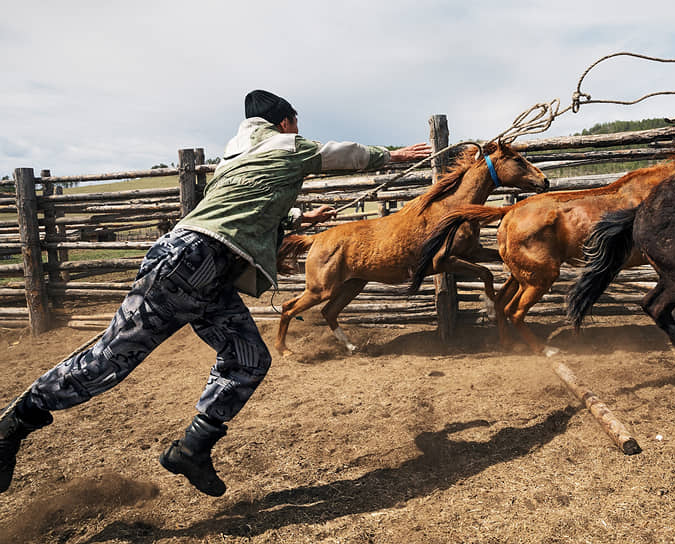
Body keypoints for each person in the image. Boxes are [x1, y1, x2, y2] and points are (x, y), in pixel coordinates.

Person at [0, 90, 432, 497]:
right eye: (295, 123)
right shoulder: (287, 145)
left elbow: (242, 206)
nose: (298, 130)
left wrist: (299, 215)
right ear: (284, 121)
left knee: (249, 358)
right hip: (191, 262)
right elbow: (339, 154)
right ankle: (12, 427)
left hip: (209, 274)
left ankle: (192, 449)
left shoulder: (237, 158)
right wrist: (390, 155)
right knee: (111, 359)